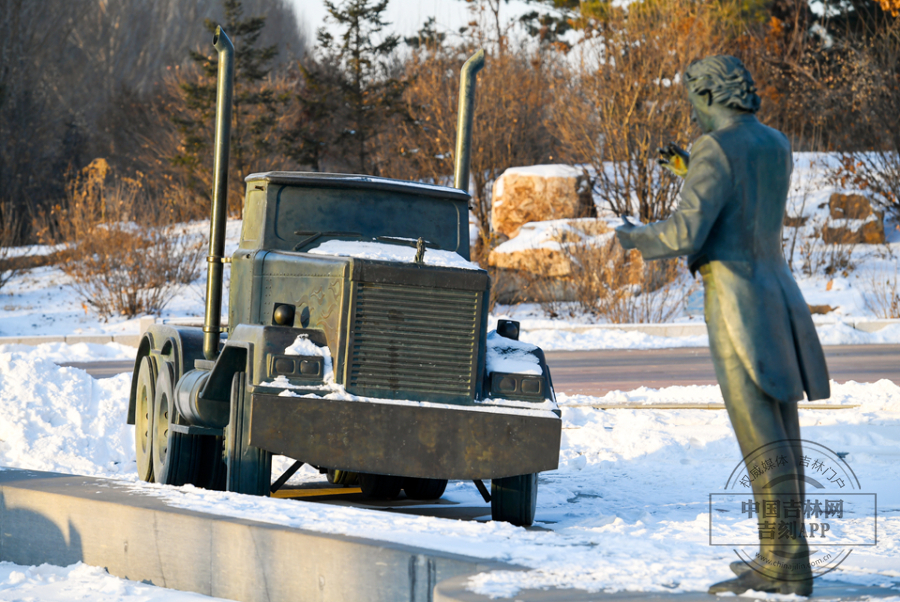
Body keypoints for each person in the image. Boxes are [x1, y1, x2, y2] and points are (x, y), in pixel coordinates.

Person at [615, 55, 829, 596]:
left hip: (735, 300)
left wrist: (636, 236)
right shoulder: (774, 143)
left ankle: (786, 561)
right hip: (777, 294)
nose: (693, 112)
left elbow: (688, 232)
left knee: (760, 435)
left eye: (693, 101)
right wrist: (692, 173)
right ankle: (783, 551)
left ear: (711, 95)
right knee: (783, 431)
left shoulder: (717, 148)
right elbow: (744, 199)